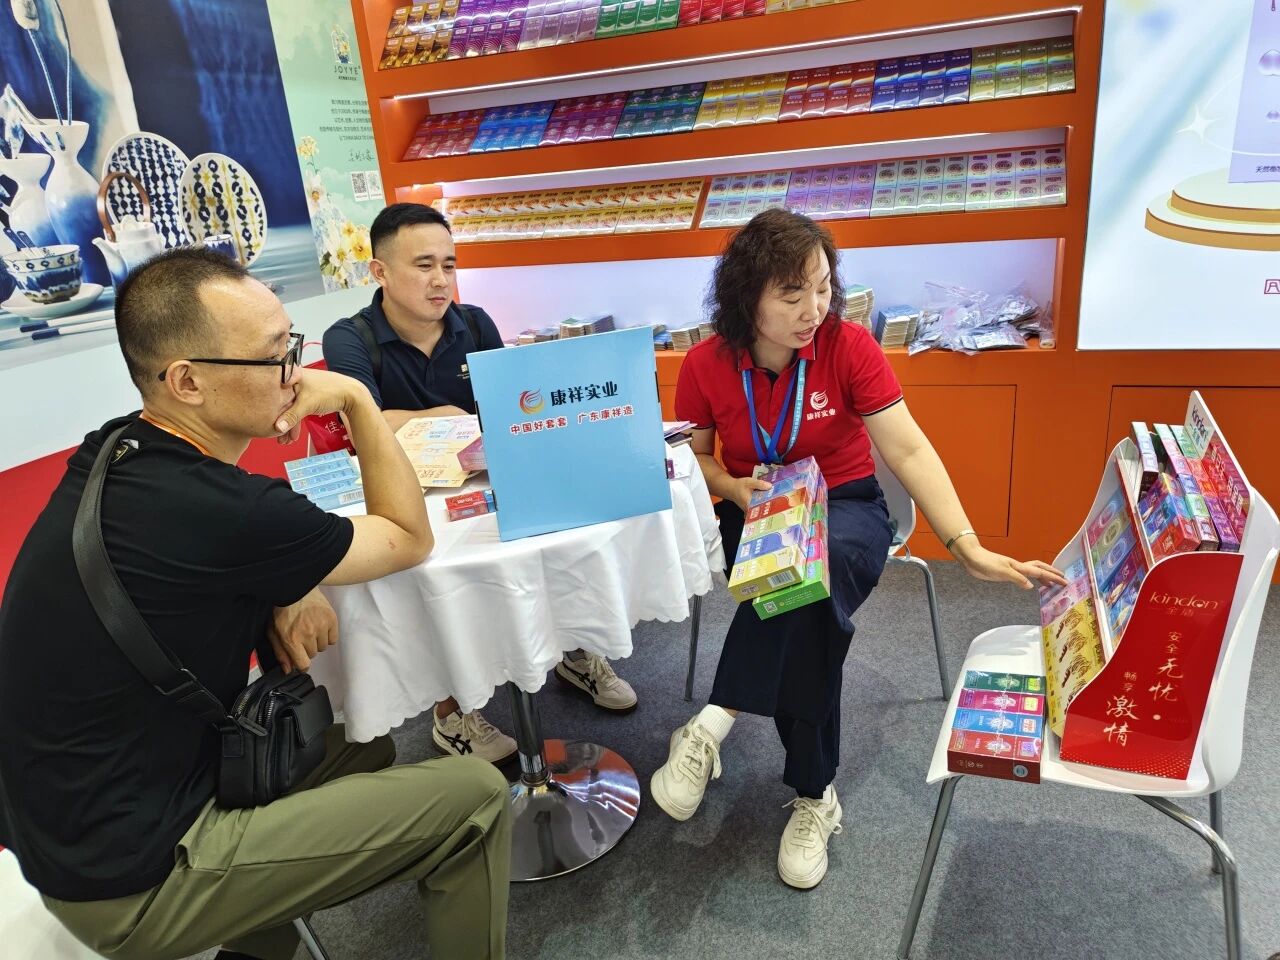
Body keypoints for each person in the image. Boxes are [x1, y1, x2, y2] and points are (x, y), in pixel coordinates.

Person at [0, 248, 511, 960]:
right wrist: (357, 401)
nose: (295, 376)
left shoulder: (118, 448)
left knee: (362, 743)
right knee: (475, 797)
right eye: (275, 357)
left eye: (291, 348)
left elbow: (192, 555)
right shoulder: (233, 510)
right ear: (188, 381)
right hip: (133, 872)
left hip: (71, 820)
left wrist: (285, 583)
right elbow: (406, 536)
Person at [649, 209, 1066, 890]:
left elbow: (908, 449)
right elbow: (696, 458)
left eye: (822, 288)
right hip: (754, 507)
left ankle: (714, 721)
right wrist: (730, 486)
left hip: (846, 506)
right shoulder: (706, 363)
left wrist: (966, 545)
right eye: (792, 294)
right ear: (746, 296)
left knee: (813, 580)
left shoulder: (848, 347)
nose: (813, 309)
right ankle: (816, 794)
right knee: (808, 611)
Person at [324, 202, 638, 764]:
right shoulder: (350, 338)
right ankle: (451, 713)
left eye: (449, 264)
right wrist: (447, 415)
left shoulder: (474, 323)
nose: (440, 280)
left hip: (485, 475)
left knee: (555, 533)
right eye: (424, 265)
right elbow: (363, 424)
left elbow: (508, 403)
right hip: (407, 497)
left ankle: (574, 649)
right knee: (428, 580)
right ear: (380, 272)